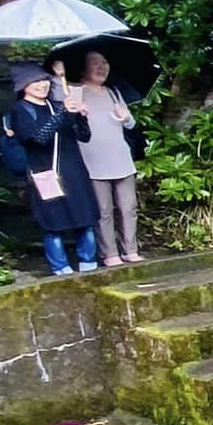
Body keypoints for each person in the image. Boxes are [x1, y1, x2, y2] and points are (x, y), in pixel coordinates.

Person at [7, 63, 100, 274]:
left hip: (73, 169)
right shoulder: (20, 110)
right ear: (23, 86)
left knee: (84, 217)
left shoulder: (57, 105)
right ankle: (61, 268)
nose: (42, 85)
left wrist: (80, 116)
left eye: (43, 80)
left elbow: (84, 136)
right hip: (45, 173)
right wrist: (62, 114)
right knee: (53, 222)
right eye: (34, 81)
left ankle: (89, 263)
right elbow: (38, 137)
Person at [76, 49, 142, 266]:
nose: (102, 67)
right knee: (103, 210)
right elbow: (67, 121)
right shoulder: (75, 91)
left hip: (121, 157)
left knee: (128, 207)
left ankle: (130, 249)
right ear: (84, 67)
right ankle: (109, 253)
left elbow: (131, 124)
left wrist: (125, 118)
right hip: (93, 159)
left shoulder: (113, 92)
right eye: (95, 62)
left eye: (105, 62)